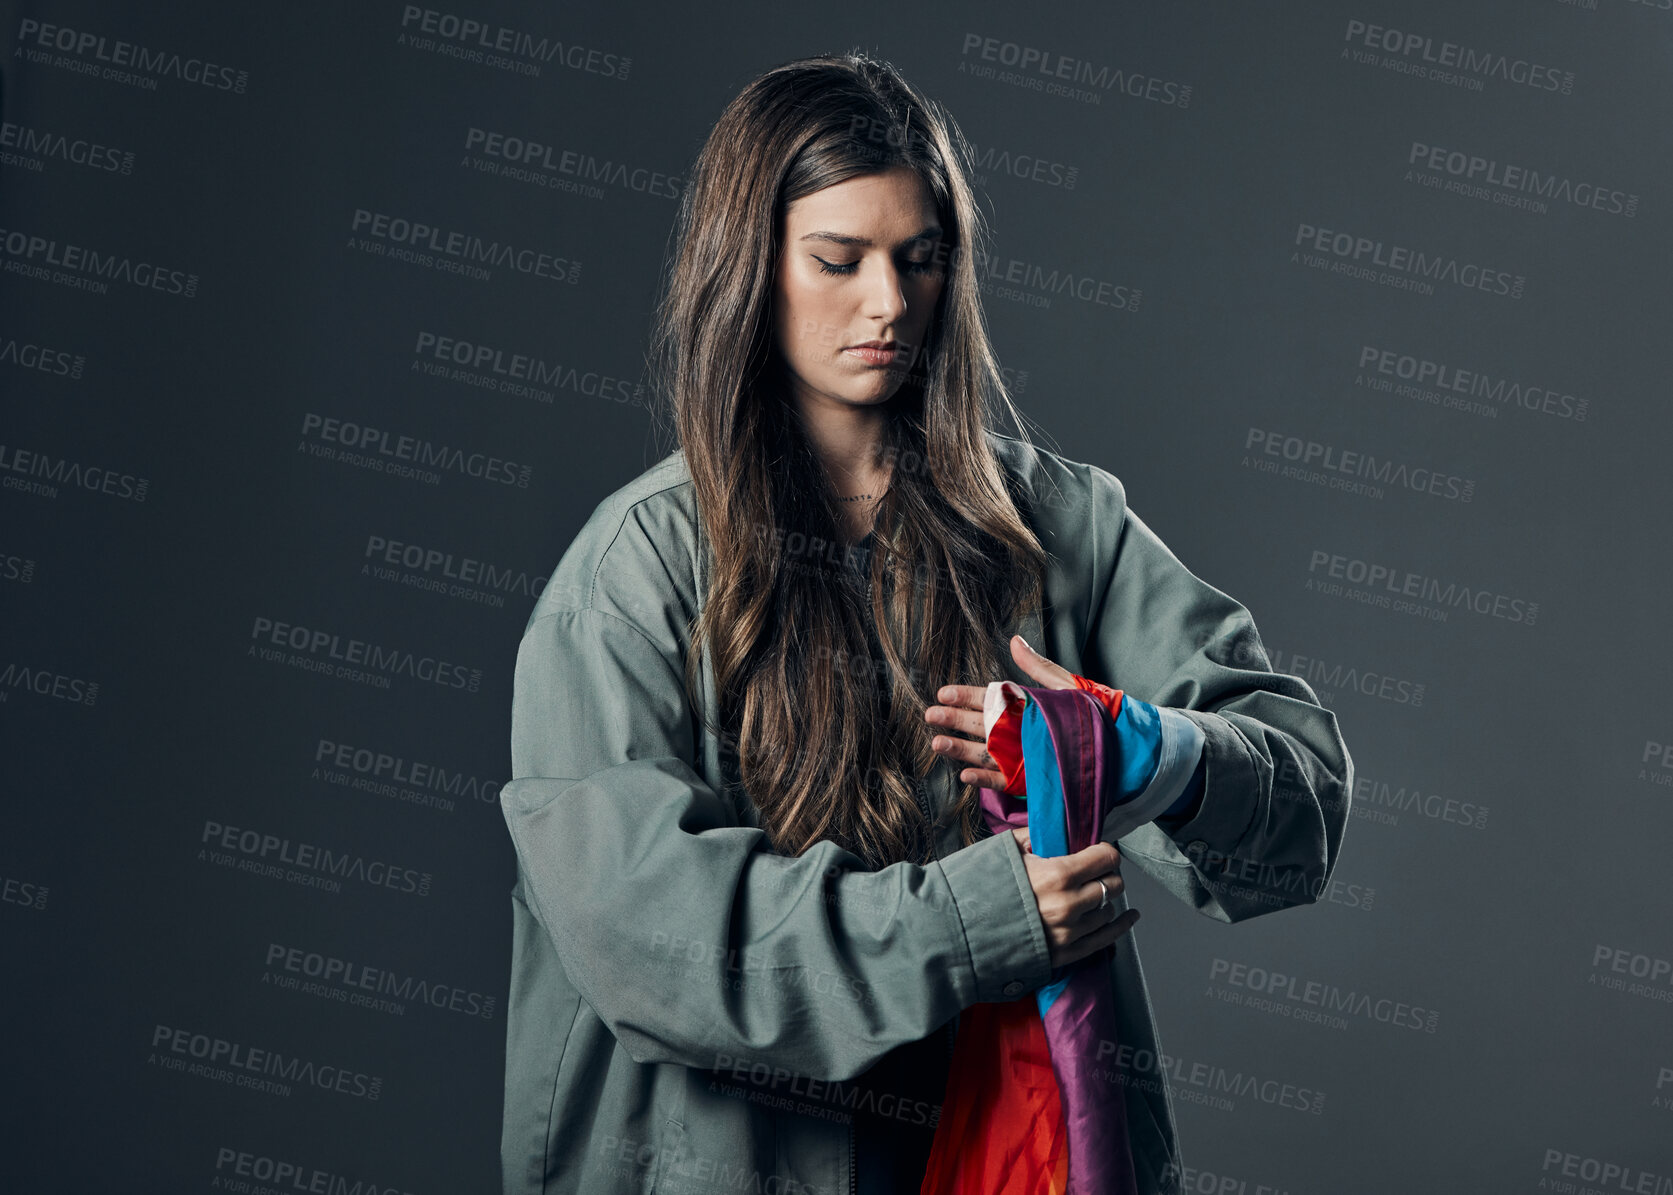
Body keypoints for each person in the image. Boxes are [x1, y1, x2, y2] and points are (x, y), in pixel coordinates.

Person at [496, 50, 1353, 1195]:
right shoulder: (632, 570)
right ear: (748, 267)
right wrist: (975, 918)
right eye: (836, 260)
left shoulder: (1059, 524)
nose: (888, 302)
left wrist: (1139, 747)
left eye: (920, 259)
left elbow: (1301, 807)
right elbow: (653, 939)